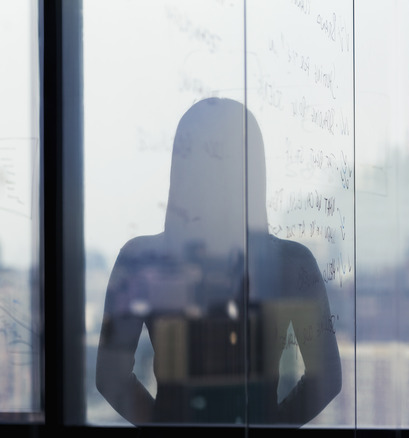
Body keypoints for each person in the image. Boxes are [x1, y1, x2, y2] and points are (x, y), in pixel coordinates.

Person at [96, 98, 341, 426]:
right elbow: (325, 380)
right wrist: (268, 430)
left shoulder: (140, 260)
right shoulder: (292, 263)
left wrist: (163, 428)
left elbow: (110, 376)